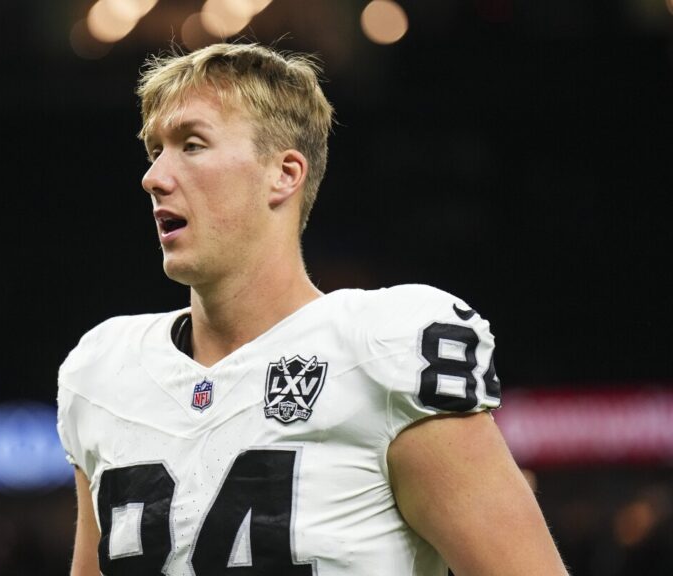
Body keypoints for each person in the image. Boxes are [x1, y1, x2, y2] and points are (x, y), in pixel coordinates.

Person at [56, 42, 568, 576]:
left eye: (192, 144)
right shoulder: (104, 372)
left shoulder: (382, 350)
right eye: (155, 150)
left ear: (284, 173)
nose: (155, 176)